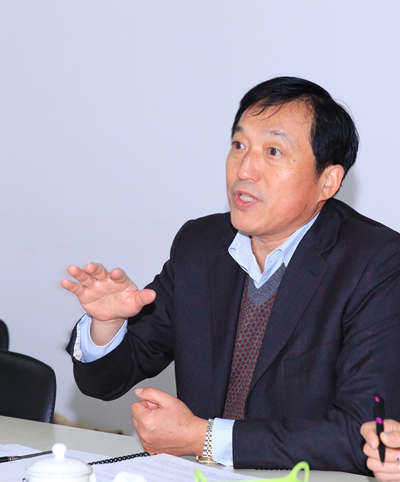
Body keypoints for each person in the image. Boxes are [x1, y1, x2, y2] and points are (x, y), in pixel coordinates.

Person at [62, 76, 400, 475]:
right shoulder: (201, 244)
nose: (246, 169)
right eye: (239, 145)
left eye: (273, 151)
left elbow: (365, 433)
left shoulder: (376, 262)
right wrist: (107, 325)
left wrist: (203, 437)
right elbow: (107, 382)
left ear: (328, 180)